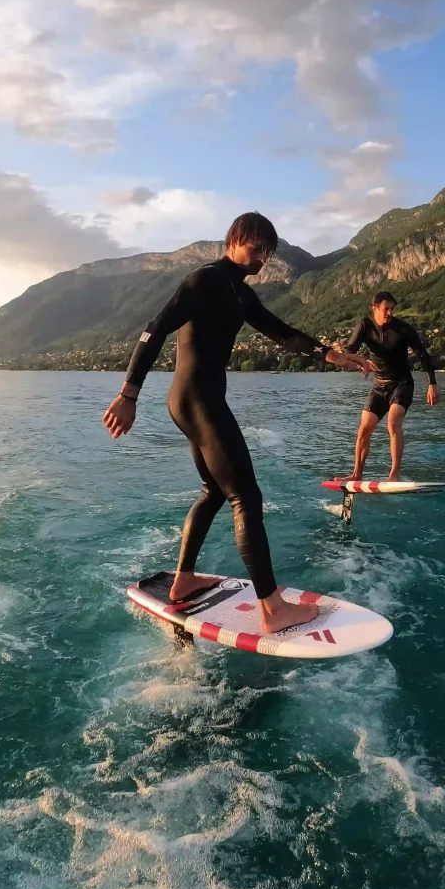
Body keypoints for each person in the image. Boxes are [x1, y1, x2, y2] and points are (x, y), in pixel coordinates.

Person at [102, 212, 371, 633]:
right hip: (197, 399)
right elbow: (155, 329)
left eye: (269, 251)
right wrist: (128, 394)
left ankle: (184, 579)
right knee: (246, 495)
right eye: (257, 247)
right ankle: (272, 609)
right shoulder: (206, 279)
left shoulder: (240, 294)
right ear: (235, 238)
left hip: (201, 399)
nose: (263, 257)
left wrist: (332, 354)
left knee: (214, 490)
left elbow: (283, 333)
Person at [343, 291, 438, 481]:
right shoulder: (365, 325)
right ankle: (357, 474)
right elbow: (348, 352)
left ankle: (394, 474)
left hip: (402, 384)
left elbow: (423, 355)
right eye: (386, 309)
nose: (389, 313)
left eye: (392, 309)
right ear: (375, 308)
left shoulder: (403, 329)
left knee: (393, 421)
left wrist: (432, 384)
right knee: (364, 429)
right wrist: (361, 361)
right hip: (379, 386)